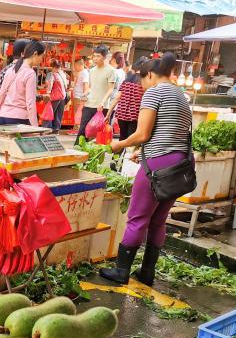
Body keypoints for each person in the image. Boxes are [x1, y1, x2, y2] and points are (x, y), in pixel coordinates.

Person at [100, 53, 192, 286]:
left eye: (142, 80)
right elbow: (170, 133)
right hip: (179, 165)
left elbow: (142, 133)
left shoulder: (154, 92)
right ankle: (147, 272)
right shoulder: (180, 95)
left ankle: (121, 272)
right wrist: (142, 151)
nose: (142, 85)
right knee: (158, 220)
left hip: (157, 166)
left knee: (137, 217)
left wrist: (118, 145)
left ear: (149, 74)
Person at [0, 40, 46, 126]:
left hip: (3, 117)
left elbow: (1, 94)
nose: (41, 60)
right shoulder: (30, 73)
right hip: (20, 119)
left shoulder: (10, 70)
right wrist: (35, 126)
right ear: (35, 54)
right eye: (42, 56)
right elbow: (30, 103)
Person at [75, 45, 116, 145]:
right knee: (82, 131)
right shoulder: (92, 70)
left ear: (104, 57)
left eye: (98, 56)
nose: (95, 59)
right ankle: (78, 154)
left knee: (100, 134)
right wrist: (85, 94)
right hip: (89, 104)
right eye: (94, 56)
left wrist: (102, 102)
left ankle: (96, 156)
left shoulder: (111, 71)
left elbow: (111, 89)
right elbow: (91, 87)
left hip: (102, 107)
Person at [106, 58, 147, 141]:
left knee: (122, 137)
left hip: (121, 114)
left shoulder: (127, 79)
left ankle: (118, 153)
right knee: (130, 140)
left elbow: (117, 98)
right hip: (135, 115)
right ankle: (125, 153)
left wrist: (108, 114)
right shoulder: (144, 80)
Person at [43, 59, 68, 133]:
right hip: (61, 96)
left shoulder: (54, 74)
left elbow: (49, 85)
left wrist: (48, 93)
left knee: (51, 112)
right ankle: (52, 129)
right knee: (56, 113)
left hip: (56, 97)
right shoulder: (60, 74)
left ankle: (48, 128)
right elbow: (65, 84)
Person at [71, 58, 90, 129]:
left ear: (79, 65)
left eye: (75, 65)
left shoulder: (84, 73)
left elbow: (86, 85)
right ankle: (76, 127)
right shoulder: (81, 72)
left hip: (80, 96)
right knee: (77, 112)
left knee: (78, 113)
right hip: (78, 96)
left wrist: (84, 96)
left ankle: (77, 128)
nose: (75, 67)